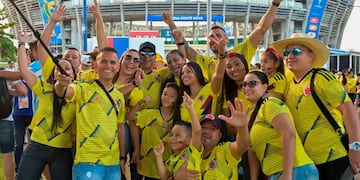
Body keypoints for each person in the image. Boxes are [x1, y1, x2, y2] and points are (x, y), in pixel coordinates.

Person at [272, 32, 360, 179]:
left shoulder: (321, 78)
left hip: (332, 157)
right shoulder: (288, 83)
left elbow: (349, 110)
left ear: (310, 56)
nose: (289, 56)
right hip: (305, 163)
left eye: (296, 51)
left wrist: (355, 147)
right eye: (287, 52)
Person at [162, 0, 283, 81]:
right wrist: (171, 24)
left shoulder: (240, 51)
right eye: (210, 37)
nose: (214, 39)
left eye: (218, 36)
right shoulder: (205, 61)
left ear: (226, 39)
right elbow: (186, 48)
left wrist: (275, 4)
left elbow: (261, 29)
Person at [54, 47, 126, 180]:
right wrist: (61, 84)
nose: (108, 66)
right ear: (95, 65)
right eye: (103, 61)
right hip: (88, 161)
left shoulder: (119, 96)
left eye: (112, 62)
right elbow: (64, 92)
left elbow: (120, 127)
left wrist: (122, 157)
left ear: (118, 67)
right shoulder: (83, 87)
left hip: (113, 163)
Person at [16, 30, 76, 180]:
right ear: (54, 74)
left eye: (67, 68)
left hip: (63, 150)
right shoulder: (43, 88)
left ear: (74, 75)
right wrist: (22, 43)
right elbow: (23, 69)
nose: (62, 71)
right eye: (58, 68)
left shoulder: (80, 94)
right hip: (36, 146)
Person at [241, 71, 318, 179]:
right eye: (243, 85)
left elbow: (288, 134)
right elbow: (252, 151)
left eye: (252, 83)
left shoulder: (270, 103)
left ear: (264, 87)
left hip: (295, 170)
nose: (246, 88)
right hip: (277, 173)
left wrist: (287, 173)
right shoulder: (251, 114)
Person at [131, 82, 180, 179]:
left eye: (172, 96)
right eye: (165, 94)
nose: (167, 98)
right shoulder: (150, 113)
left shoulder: (178, 117)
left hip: (167, 167)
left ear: (177, 99)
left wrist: (169, 130)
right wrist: (141, 102)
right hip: (148, 165)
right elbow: (130, 116)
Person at [153, 92, 202, 180]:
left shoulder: (192, 152)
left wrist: (190, 108)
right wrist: (159, 156)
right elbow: (164, 177)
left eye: (178, 135)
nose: (173, 138)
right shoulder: (171, 159)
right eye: (171, 134)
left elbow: (197, 131)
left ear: (189, 140)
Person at [199, 97, 250, 179]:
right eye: (203, 127)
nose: (207, 131)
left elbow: (242, 146)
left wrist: (242, 127)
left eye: (212, 128)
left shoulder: (224, 150)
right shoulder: (191, 154)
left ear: (220, 134)